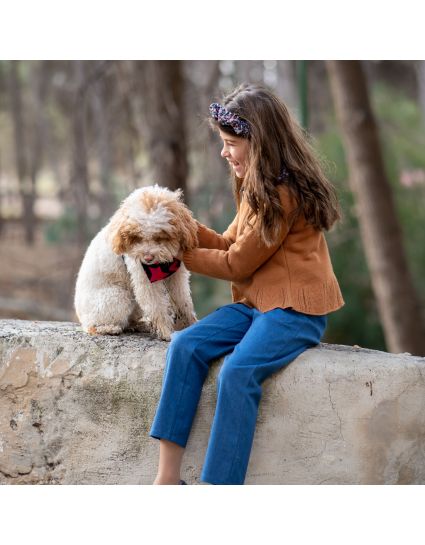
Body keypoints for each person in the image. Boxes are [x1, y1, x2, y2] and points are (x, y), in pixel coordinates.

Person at [149, 82, 345, 485]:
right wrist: (179, 222)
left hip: (295, 313)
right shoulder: (257, 188)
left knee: (237, 372)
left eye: (230, 143)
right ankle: (167, 478)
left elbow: (237, 263)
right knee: (186, 346)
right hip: (258, 307)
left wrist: (176, 253)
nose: (224, 152)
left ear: (258, 141)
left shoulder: (283, 193)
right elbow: (225, 242)